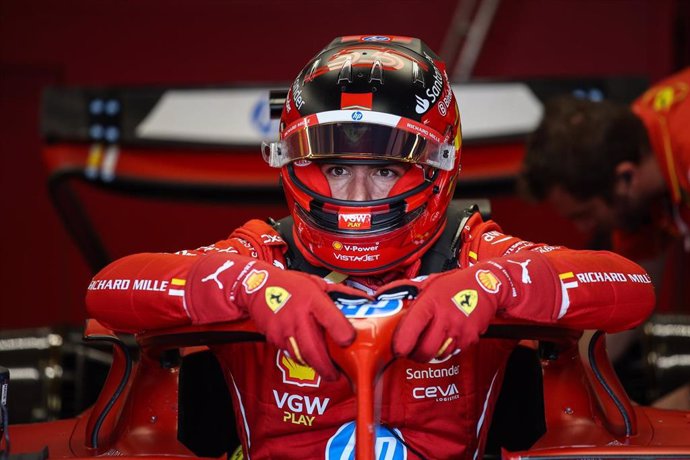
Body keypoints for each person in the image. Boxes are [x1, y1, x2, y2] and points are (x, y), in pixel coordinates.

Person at [86, 35, 655, 459]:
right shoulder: (264, 253)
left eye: (385, 168)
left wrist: (491, 285)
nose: (355, 195)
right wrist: (249, 286)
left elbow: (630, 284)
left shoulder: (472, 250)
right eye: (334, 167)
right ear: (295, 162)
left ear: (441, 164)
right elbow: (110, 286)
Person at [520, 68, 690, 313]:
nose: (584, 228)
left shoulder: (683, 148)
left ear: (626, 177)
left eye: (585, 214)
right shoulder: (635, 149)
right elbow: (629, 302)